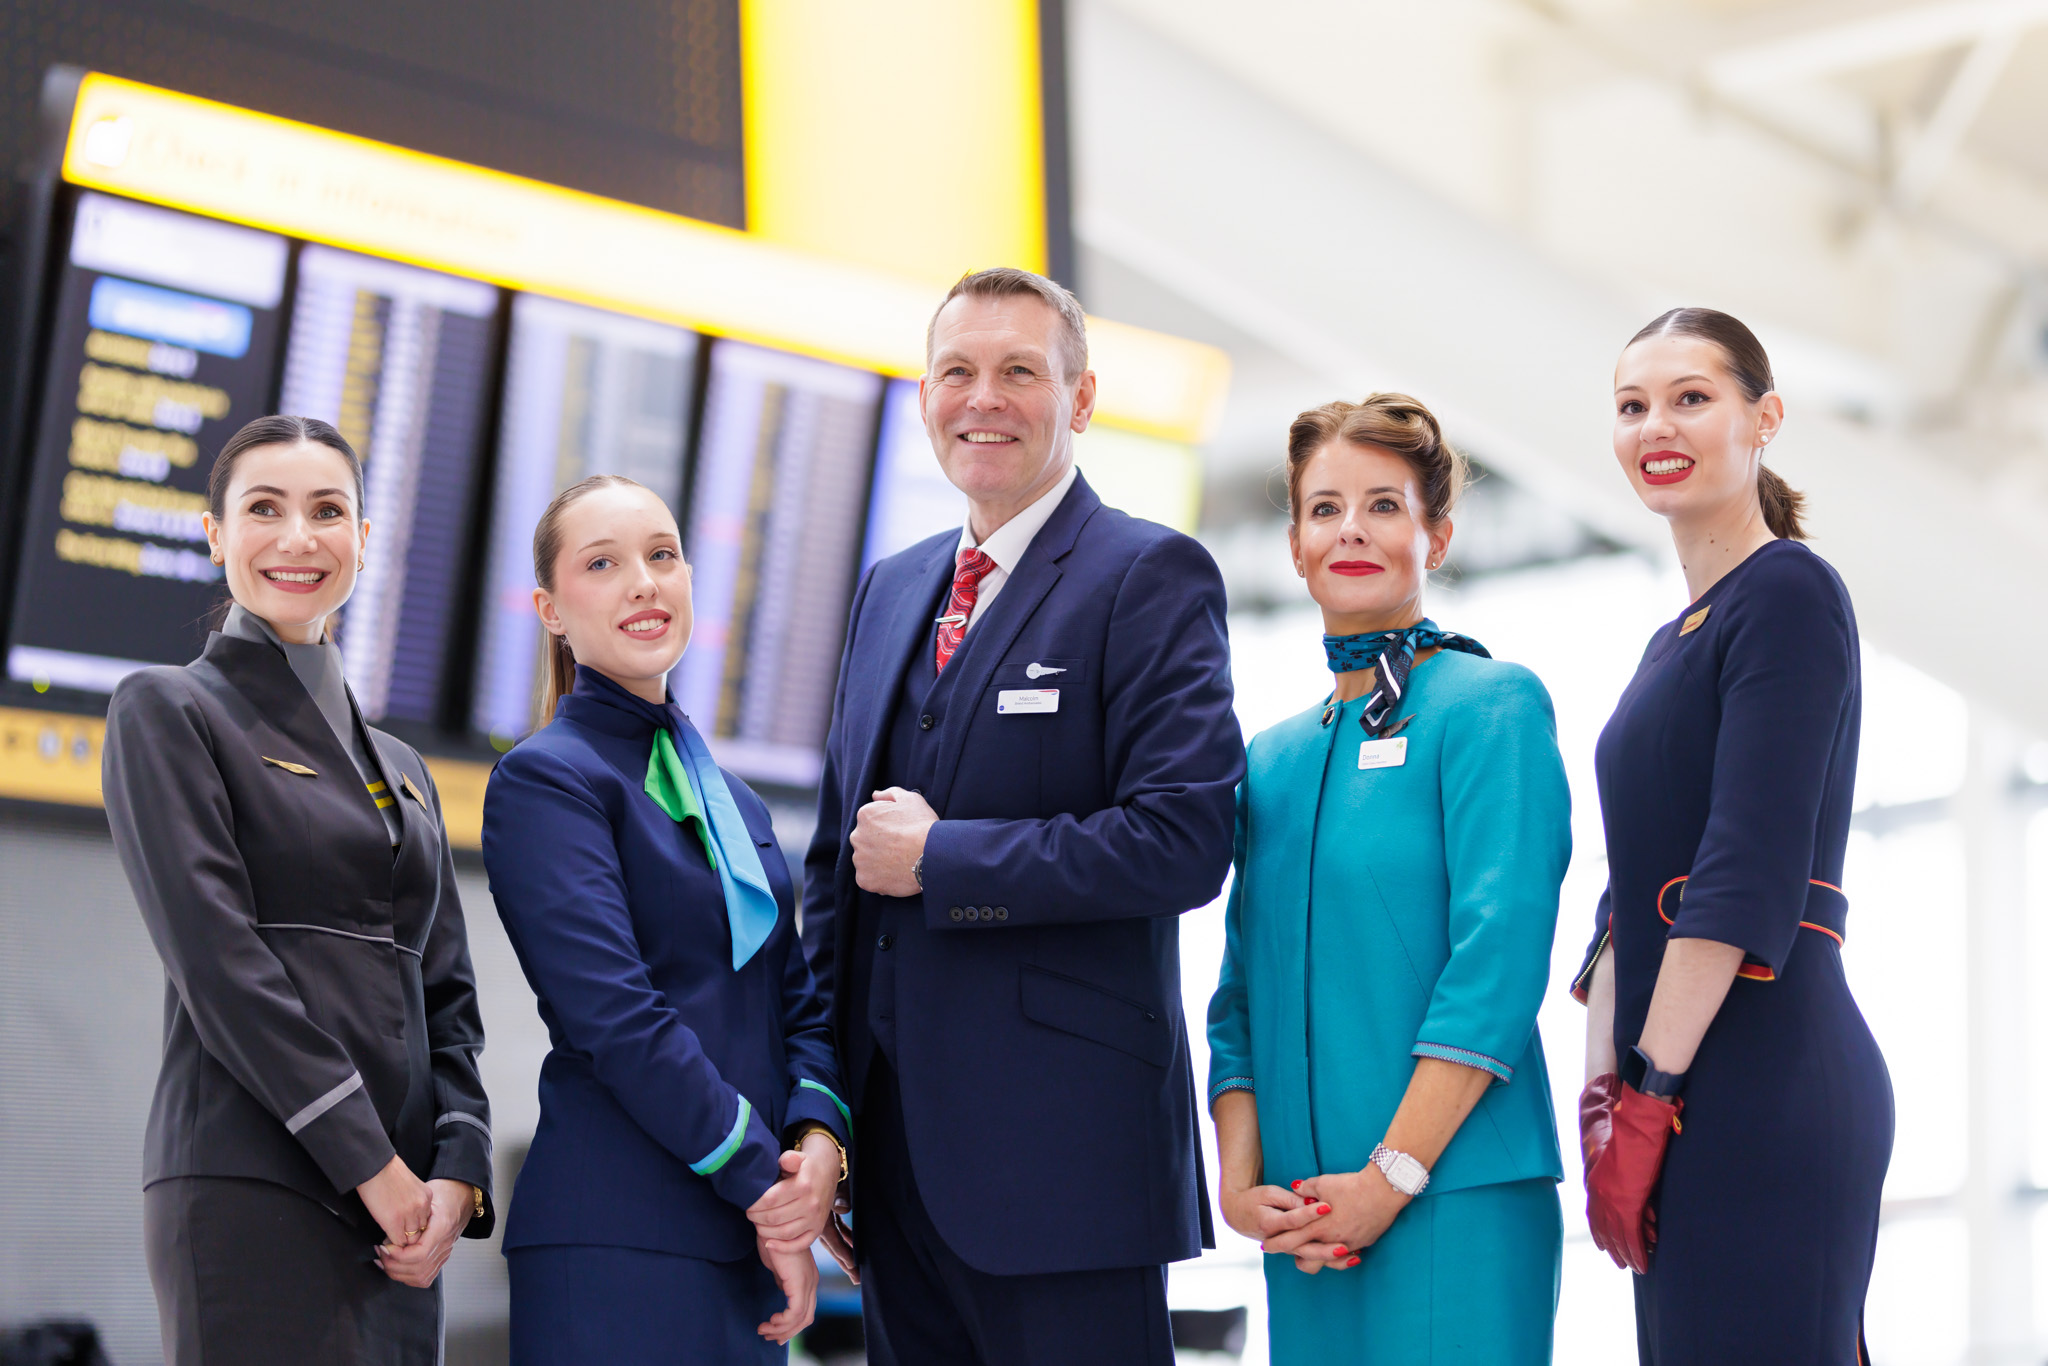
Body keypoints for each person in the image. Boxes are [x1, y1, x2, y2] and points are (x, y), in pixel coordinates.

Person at [800, 267, 1243, 1365]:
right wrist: (825, 1110)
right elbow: (833, 873)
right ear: (923, 395)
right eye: (956, 371)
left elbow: (1183, 839)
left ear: (1080, 398)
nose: (981, 398)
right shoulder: (890, 589)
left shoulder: (1147, 573)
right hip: (894, 1170)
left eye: (1017, 372)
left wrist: (945, 859)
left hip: (1065, 1170)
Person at [102, 415, 494, 1366]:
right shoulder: (169, 710)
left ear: (363, 538)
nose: (296, 538)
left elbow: (449, 995)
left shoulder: (402, 767)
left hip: (405, 1217)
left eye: (328, 511)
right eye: (263, 509)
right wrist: (373, 1168)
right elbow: (220, 963)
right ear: (214, 534)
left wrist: (457, 1174)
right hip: (258, 1183)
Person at [1206, 395, 1571, 1363]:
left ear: (1435, 534)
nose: (1350, 530)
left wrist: (1389, 1177)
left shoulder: (1488, 704)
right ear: (1291, 542)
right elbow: (1237, 993)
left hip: (1451, 1195)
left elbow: (1494, 960)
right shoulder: (1273, 759)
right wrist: (1245, 1187)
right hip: (1307, 1216)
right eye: (1323, 508)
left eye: (1381, 504)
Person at [1574, 309, 1893, 1363]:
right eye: (1631, 406)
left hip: (1761, 1078)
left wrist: (1650, 1095)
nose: (1654, 425)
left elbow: (1739, 868)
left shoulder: (1789, 591)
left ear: (1764, 418)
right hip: (1672, 1089)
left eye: (1688, 397)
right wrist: (1603, 1095)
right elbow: (1628, 891)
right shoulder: (1671, 639)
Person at [482, 474, 851, 1364]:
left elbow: (794, 1005)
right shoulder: (548, 780)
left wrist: (817, 1151)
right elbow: (615, 1016)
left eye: (662, 556)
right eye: (603, 563)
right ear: (551, 610)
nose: (645, 582)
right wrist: (768, 1188)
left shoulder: (738, 804)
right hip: (620, 1238)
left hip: (746, 1244)